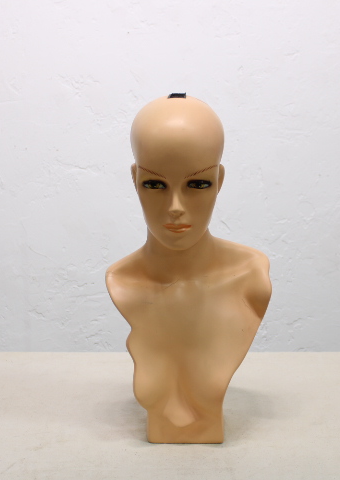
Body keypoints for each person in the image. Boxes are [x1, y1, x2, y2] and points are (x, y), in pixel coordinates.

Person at [106, 94, 271, 443]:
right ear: (135, 179)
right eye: (155, 184)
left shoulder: (251, 279)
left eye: (197, 184)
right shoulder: (122, 282)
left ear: (219, 180)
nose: (175, 207)